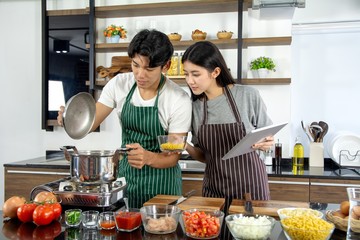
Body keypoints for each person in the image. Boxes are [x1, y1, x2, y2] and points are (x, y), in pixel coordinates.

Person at [58, 29, 192, 208]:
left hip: (163, 187)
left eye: (149, 69)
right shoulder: (119, 84)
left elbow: (172, 157)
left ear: (166, 66)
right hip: (126, 181)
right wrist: (69, 118)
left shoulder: (178, 98)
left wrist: (148, 157)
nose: (140, 74)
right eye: (136, 65)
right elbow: (89, 123)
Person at [182, 41, 274, 238]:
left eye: (195, 74)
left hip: (250, 188)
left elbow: (268, 137)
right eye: (186, 74)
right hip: (215, 190)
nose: (190, 80)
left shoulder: (247, 96)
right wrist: (185, 146)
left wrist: (267, 142)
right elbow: (206, 157)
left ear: (215, 72)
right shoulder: (196, 107)